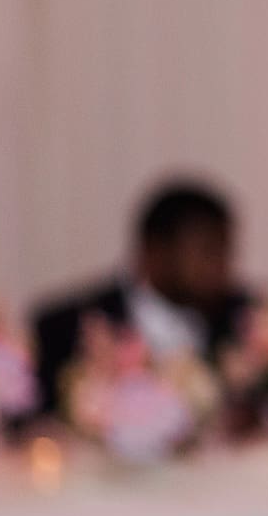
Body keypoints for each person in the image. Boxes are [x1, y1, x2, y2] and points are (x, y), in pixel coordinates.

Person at [28, 179, 255, 419]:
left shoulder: (247, 317)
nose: (222, 267)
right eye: (207, 252)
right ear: (154, 252)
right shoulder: (64, 327)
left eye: (226, 251)